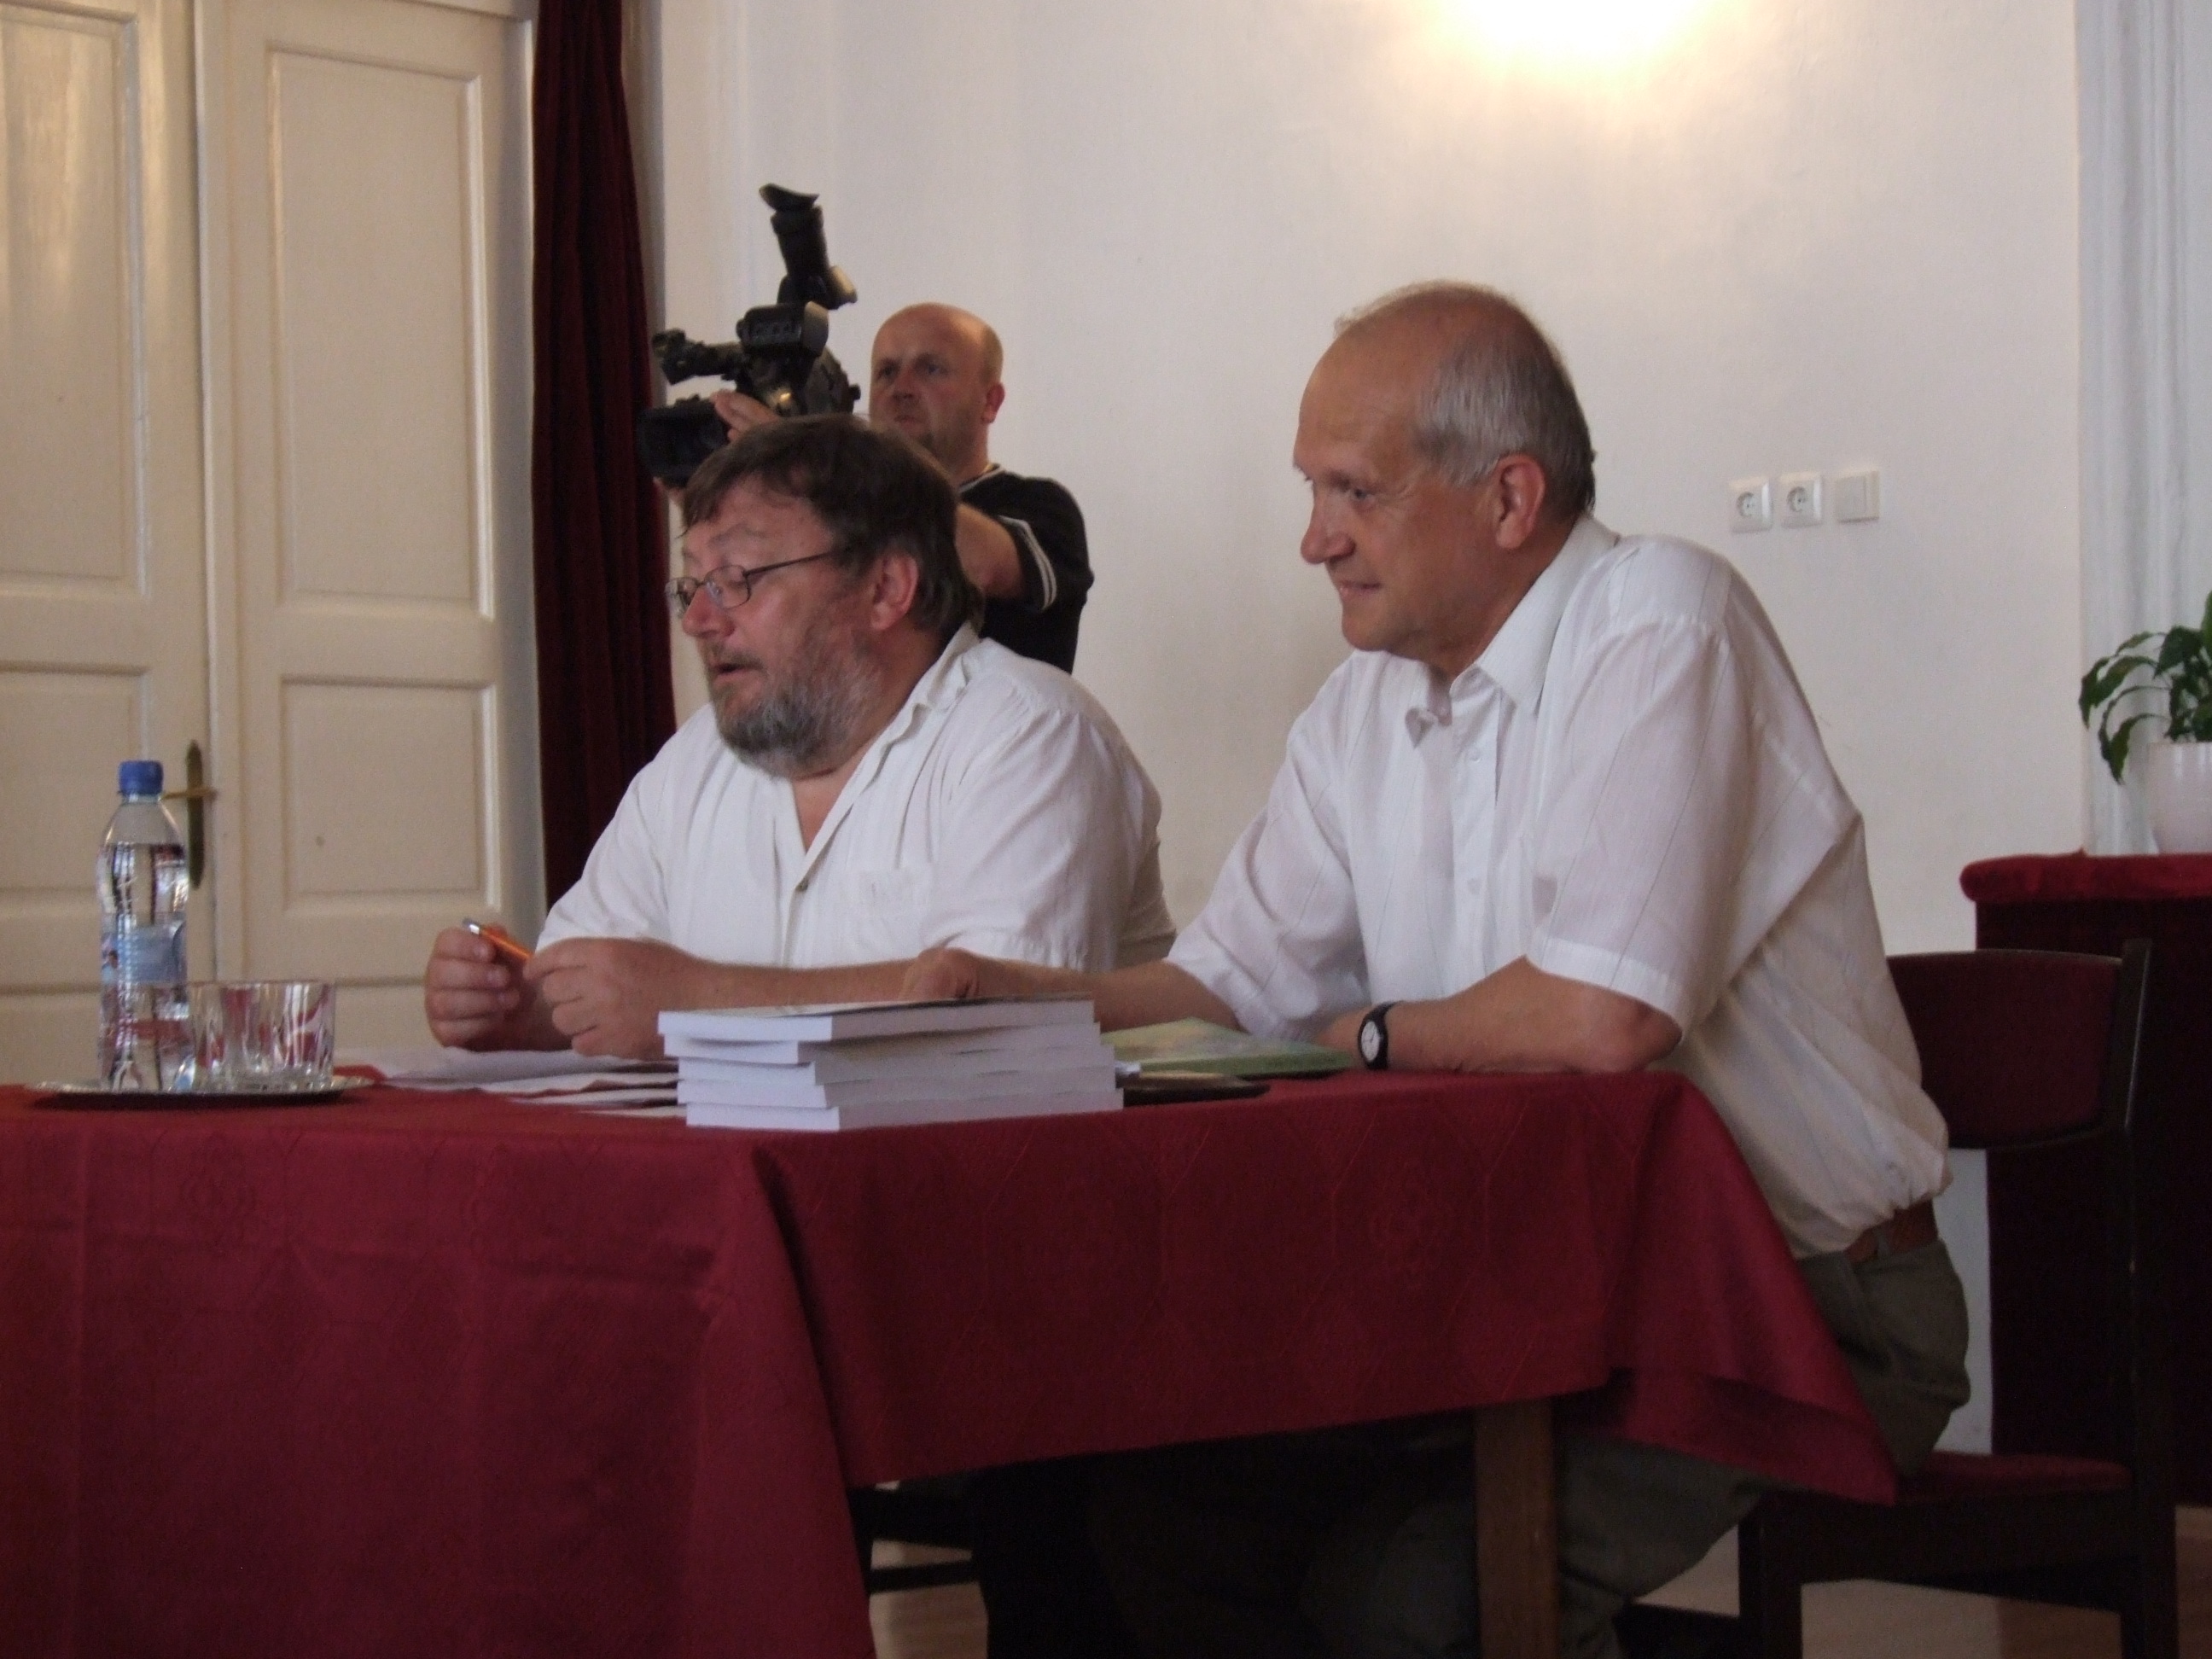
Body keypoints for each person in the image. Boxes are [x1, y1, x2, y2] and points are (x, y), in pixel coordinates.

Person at [905, 283, 1970, 1659]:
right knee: (1159, 1521)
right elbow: (1224, 991)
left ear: (1510, 498)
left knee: (1409, 1599)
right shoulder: (1365, 701)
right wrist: (995, 995)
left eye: (1353, 490)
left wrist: (1372, 1032)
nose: (1313, 538)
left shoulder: (1663, 621)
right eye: (1311, 490)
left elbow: (1602, 1016)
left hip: (1800, 1306)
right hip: (1524, 1298)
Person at [423, 414, 1171, 1058]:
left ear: (885, 589)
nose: (699, 620)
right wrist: (522, 1008)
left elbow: (995, 1024)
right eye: (692, 584)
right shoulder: (696, 759)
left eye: (738, 578)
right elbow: (594, 979)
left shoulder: (1032, 735)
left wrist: (696, 1002)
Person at [715, 302, 1092, 671]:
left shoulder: (1041, 507)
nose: (901, 388)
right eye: (886, 372)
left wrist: (810, 461)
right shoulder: (833, 499)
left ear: (990, 402)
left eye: (931, 369)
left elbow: (981, 566)